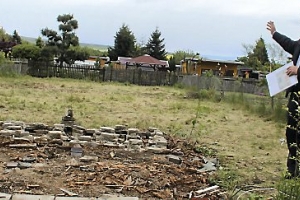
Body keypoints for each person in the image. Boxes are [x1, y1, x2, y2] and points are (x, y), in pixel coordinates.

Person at [267, 21, 300, 178]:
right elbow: (289, 44)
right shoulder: (299, 44)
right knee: (291, 132)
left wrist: (298, 70)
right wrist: (275, 33)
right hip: (295, 95)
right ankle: (292, 170)